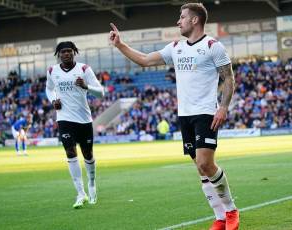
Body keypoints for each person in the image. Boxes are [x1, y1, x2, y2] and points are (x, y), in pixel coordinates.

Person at [109, 3, 239, 229]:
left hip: (206, 113)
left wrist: (223, 107)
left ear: (195, 20)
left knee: (205, 163)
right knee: (200, 169)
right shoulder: (176, 47)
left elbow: (229, 78)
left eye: (182, 17)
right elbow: (145, 60)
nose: (178, 21)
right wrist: (120, 45)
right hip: (185, 115)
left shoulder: (212, 46)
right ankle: (219, 217)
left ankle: (231, 210)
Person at [45, 41, 104, 208]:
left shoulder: (84, 69)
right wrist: (53, 100)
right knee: (70, 152)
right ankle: (80, 193)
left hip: (84, 119)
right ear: (59, 54)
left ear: (74, 53)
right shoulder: (52, 71)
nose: (66, 54)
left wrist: (86, 86)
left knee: (87, 154)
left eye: (69, 51)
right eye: (63, 52)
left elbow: (101, 93)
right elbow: (49, 89)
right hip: (64, 118)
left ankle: (91, 184)